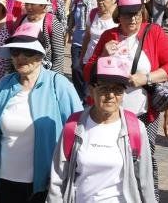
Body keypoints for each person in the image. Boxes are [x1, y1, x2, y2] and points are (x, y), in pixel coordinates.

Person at [84, 0, 168, 200]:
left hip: (143, 114)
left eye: (137, 12)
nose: (133, 18)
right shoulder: (108, 36)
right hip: (108, 116)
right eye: (128, 13)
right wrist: (102, 54)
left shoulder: (153, 33)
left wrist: (145, 78)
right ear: (119, 14)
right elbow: (88, 72)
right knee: (113, 160)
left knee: (145, 161)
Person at [0, 23, 83, 203]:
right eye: (15, 52)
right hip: (6, 181)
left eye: (27, 52)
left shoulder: (59, 85)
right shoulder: (3, 86)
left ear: (40, 54)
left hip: (46, 183)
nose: (20, 57)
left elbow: (79, 132)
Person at [48, 56, 155, 203]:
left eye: (117, 90)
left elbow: (145, 181)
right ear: (91, 90)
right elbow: (58, 178)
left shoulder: (136, 128)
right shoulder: (74, 126)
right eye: (104, 88)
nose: (111, 95)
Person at [16, 0, 66, 73]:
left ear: (43, 6)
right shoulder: (20, 20)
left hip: (44, 72)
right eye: (27, 3)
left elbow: (58, 56)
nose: (28, 7)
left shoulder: (52, 22)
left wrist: (54, 79)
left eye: (33, 4)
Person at [80, 0, 119, 87]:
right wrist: (82, 58)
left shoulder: (118, 18)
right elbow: (87, 37)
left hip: (107, 65)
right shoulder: (93, 13)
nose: (100, 1)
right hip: (89, 62)